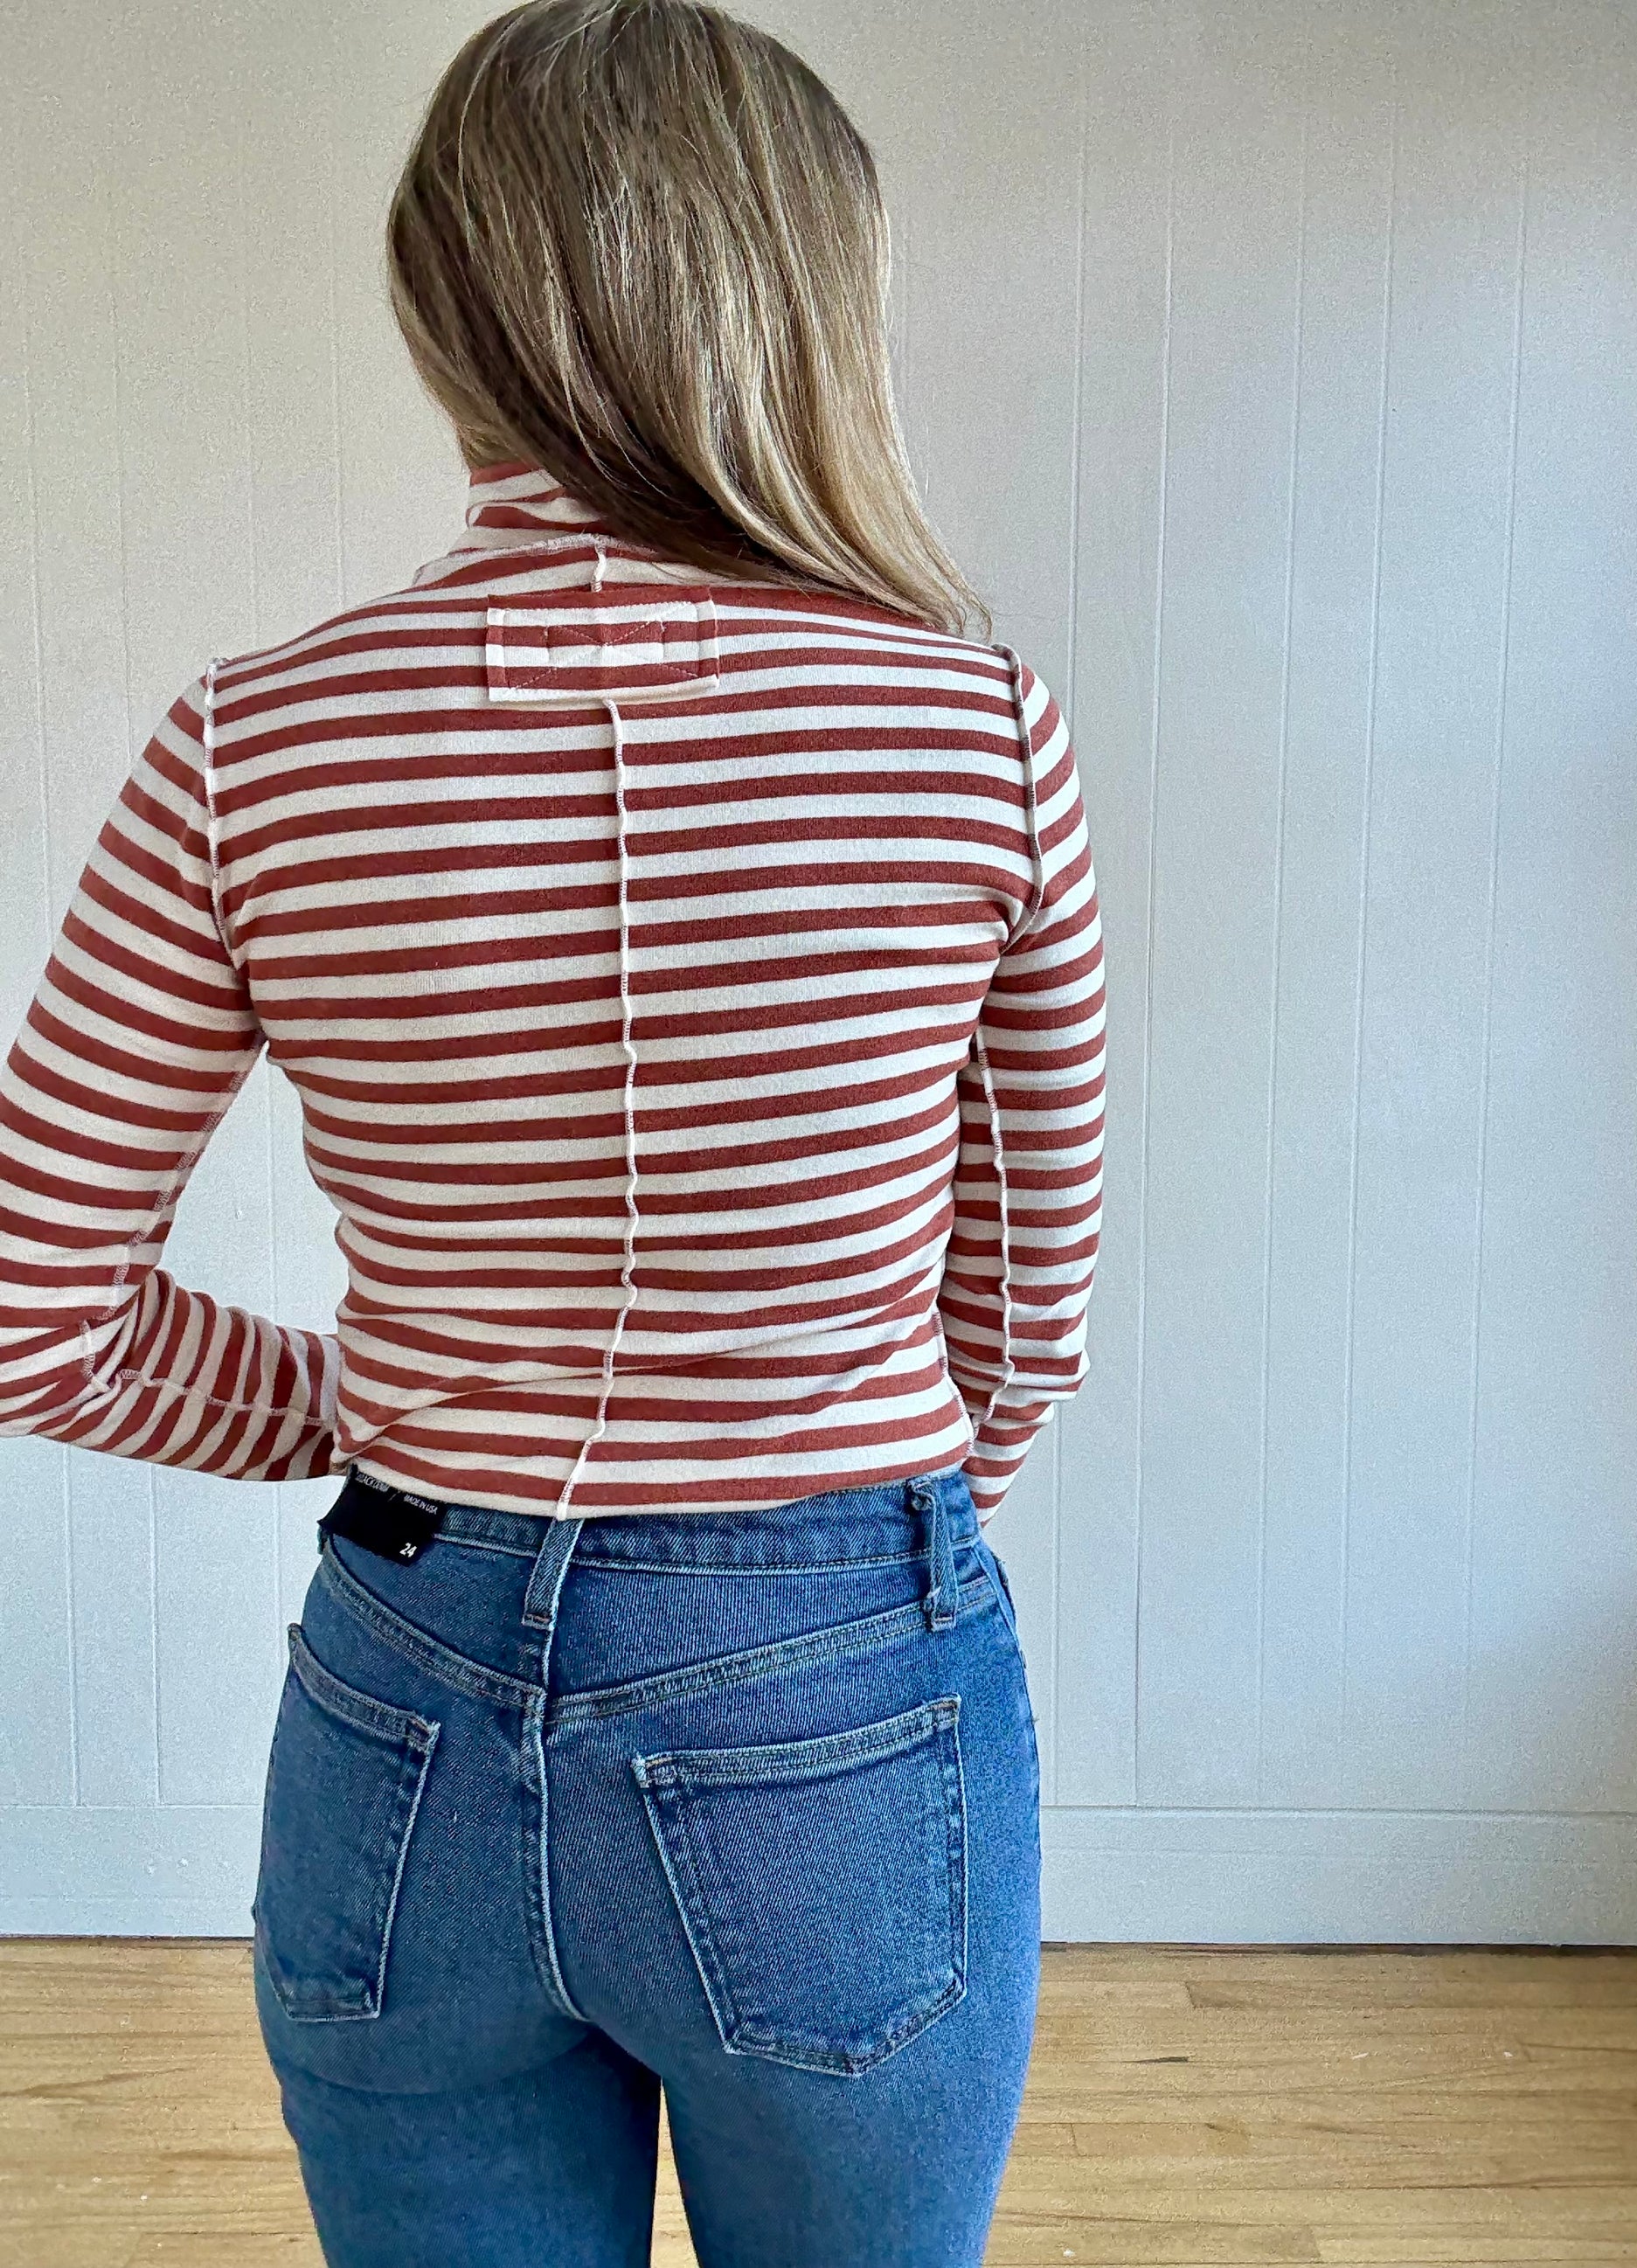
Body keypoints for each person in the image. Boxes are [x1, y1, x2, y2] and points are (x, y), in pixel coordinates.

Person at [0, 1, 1106, 2259]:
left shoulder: (250, 748)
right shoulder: (978, 734)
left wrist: (379, 1411)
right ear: (812, 295)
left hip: (403, 1697)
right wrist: (822, 1561)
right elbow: (1017, 1324)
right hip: (840, 1675)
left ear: (448, 303)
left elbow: (31, 1307)